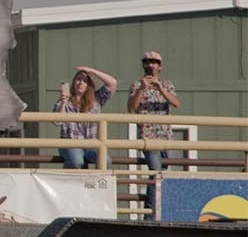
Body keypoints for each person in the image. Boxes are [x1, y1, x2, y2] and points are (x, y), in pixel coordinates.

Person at [126, 50, 180, 218]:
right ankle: (149, 215)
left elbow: (176, 103)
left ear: (160, 66)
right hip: (148, 136)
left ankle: (159, 212)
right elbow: (131, 108)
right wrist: (143, 88)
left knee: (163, 174)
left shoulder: (168, 84)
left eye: (154, 62)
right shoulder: (137, 85)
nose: (150, 65)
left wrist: (160, 88)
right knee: (155, 172)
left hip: (166, 136)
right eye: (147, 62)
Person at [52, 65, 117, 169]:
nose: (81, 83)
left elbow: (112, 83)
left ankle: (97, 184)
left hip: (91, 144)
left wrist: (91, 70)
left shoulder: (96, 99)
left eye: (85, 81)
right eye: (78, 80)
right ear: (73, 83)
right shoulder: (64, 101)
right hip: (70, 143)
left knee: (106, 160)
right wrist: (63, 103)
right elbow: (57, 121)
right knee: (77, 161)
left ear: (89, 85)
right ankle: (68, 182)